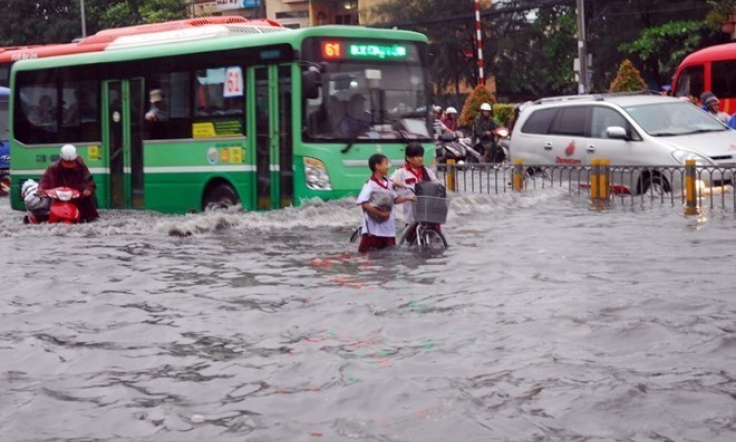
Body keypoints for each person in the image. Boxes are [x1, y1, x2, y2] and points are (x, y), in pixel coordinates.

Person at [356, 154, 415, 253]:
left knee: (388, 258)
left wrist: (407, 198)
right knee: (366, 256)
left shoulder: (389, 183)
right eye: (386, 164)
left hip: (388, 230)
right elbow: (363, 203)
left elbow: (394, 200)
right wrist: (381, 214)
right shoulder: (370, 184)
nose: (388, 166)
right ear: (377, 166)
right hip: (373, 230)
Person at [37, 144, 99, 223]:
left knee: (90, 209)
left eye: (72, 162)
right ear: (61, 159)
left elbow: (89, 181)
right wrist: (41, 189)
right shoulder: (53, 168)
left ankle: (92, 220)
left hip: (78, 198)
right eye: (66, 162)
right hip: (58, 199)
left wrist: (88, 190)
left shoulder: (82, 167)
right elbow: (45, 180)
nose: (69, 165)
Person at [391, 143, 440, 228]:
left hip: (428, 212)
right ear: (408, 158)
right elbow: (390, 183)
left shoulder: (427, 171)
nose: (420, 159)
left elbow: (437, 185)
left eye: (421, 156)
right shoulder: (401, 172)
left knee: (435, 235)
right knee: (411, 237)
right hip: (411, 214)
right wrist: (397, 184)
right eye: (417, 157)